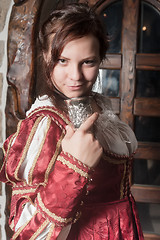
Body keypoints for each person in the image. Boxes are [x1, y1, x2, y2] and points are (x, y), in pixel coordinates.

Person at [0, 3, 144, 239]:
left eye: (88, 62)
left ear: (100, 59)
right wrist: (74, 166)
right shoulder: (45, 123)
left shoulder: (99, 105)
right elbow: (28, 230)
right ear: (46, 56)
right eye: (62, 61)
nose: (75, 76)